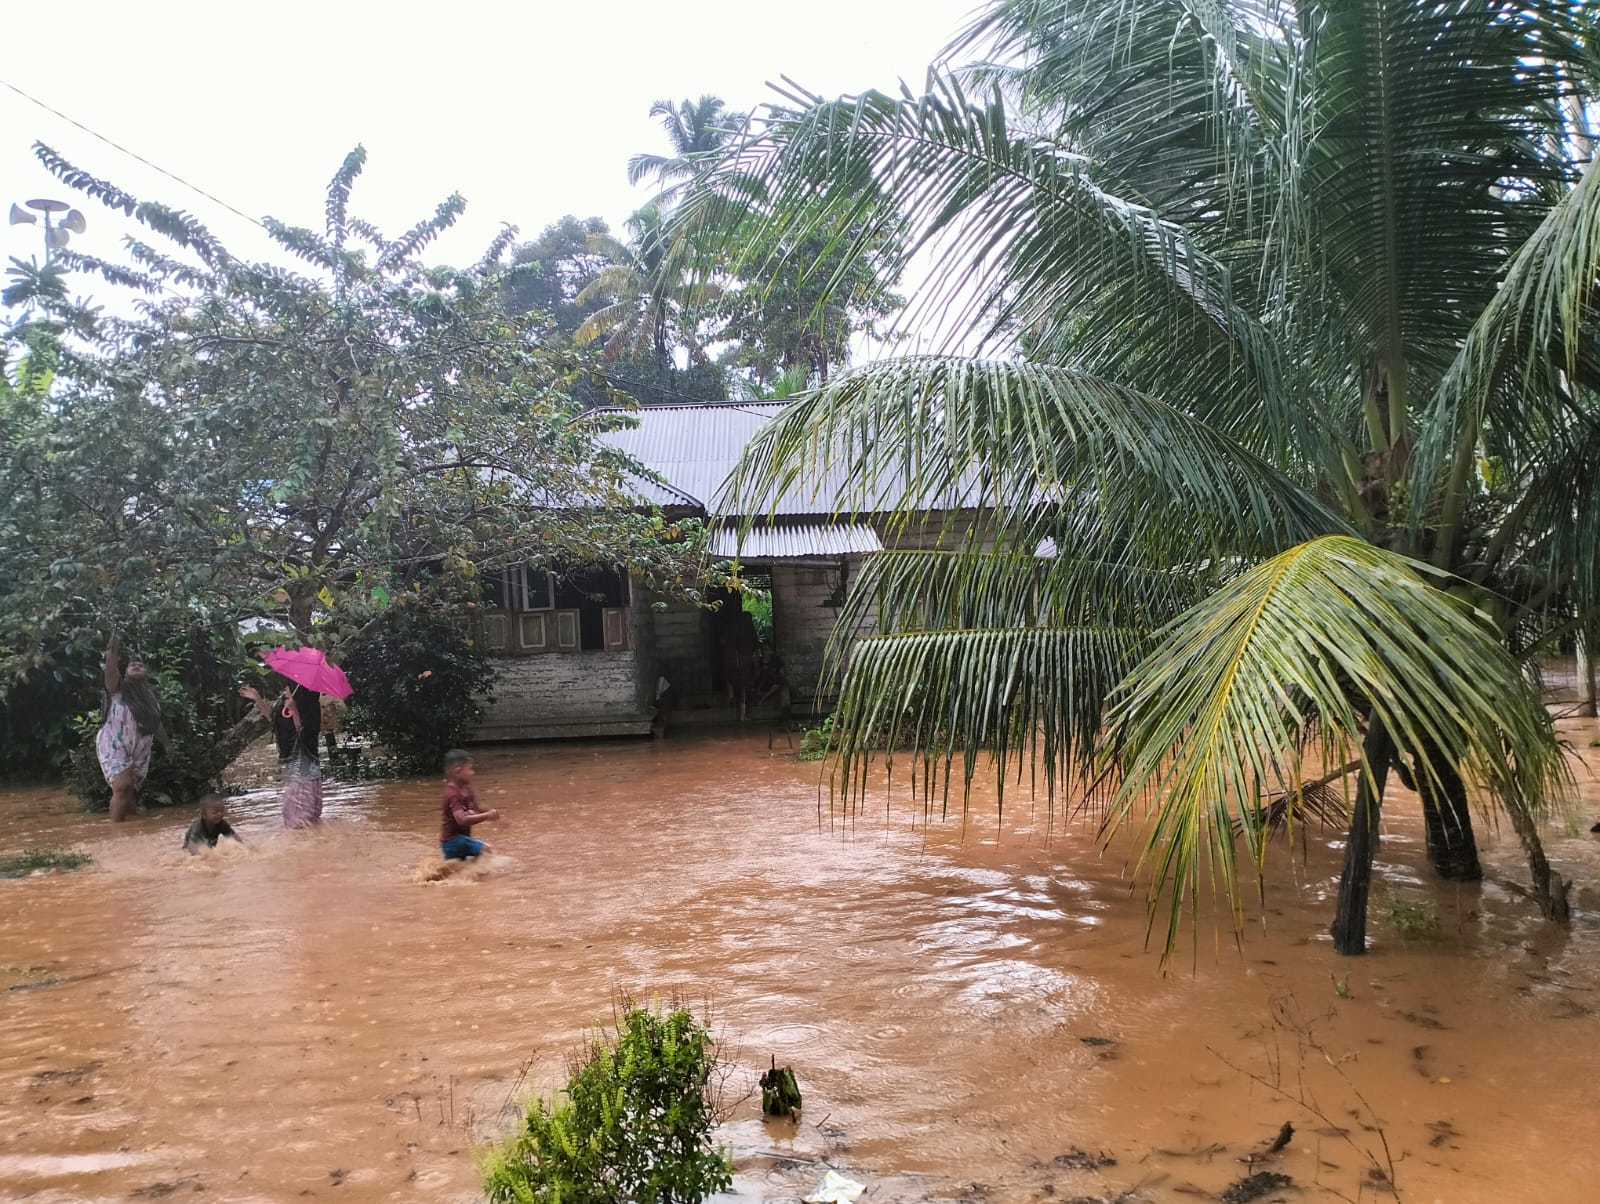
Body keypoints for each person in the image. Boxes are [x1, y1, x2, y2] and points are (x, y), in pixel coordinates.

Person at [97, 632, 171, 822]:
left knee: (129, 789)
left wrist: (167, 745)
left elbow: (156, 723)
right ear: (126, 671)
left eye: (140, 665)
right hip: (114, 742)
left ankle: (132, 827)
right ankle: (117, 833)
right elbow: (110, 669)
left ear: (146, 672)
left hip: (140, 746)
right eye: (132, 665)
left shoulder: (150, 698)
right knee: (122, 786)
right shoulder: (116, 687)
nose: (137, 665)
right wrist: (114, 645)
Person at [239, 680, 324, 828]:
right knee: (300, 822)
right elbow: (273, 720)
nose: (285, 689)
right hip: (297, 775)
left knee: (298, 824)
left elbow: (304, 732)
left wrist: (295, 710)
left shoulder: (308, 705)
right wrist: (258, 698)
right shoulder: (286, 702)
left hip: (304, 776)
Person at [440, 748, 498, 860]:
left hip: (460, 840)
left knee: (455, 870)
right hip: (453, 841)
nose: (473, 773)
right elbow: (461, 820)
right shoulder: (452, 794)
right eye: (470, 769)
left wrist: (493, 817)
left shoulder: (467, 790)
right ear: (457, 771)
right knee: (485, 849)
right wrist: (487, 816)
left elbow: (476, 808)